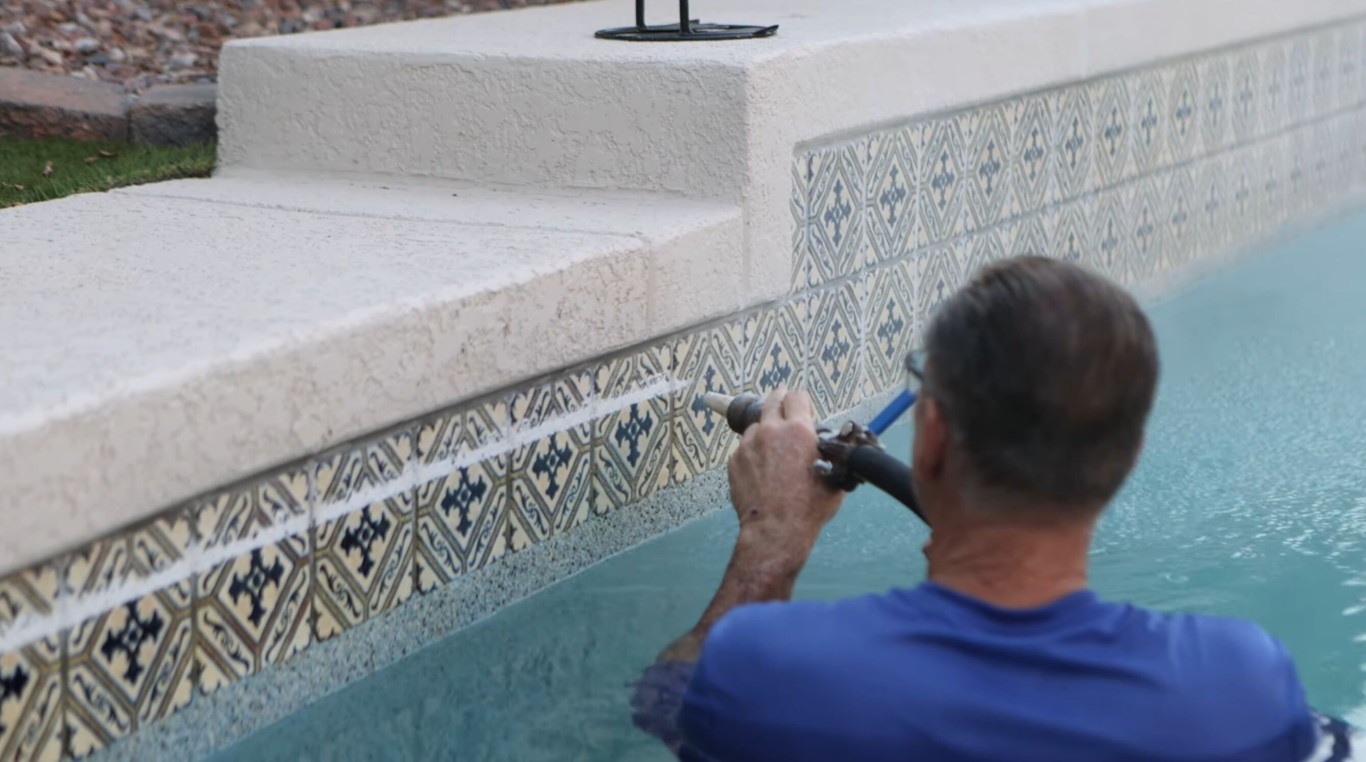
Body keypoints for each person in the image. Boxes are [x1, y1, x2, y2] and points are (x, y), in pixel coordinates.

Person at [630, 256, 1358, 761]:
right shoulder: (1238, 688)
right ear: (1128, 458)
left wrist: (773, 540)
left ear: (932, 437)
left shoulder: (775, 667)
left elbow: (670, 708)